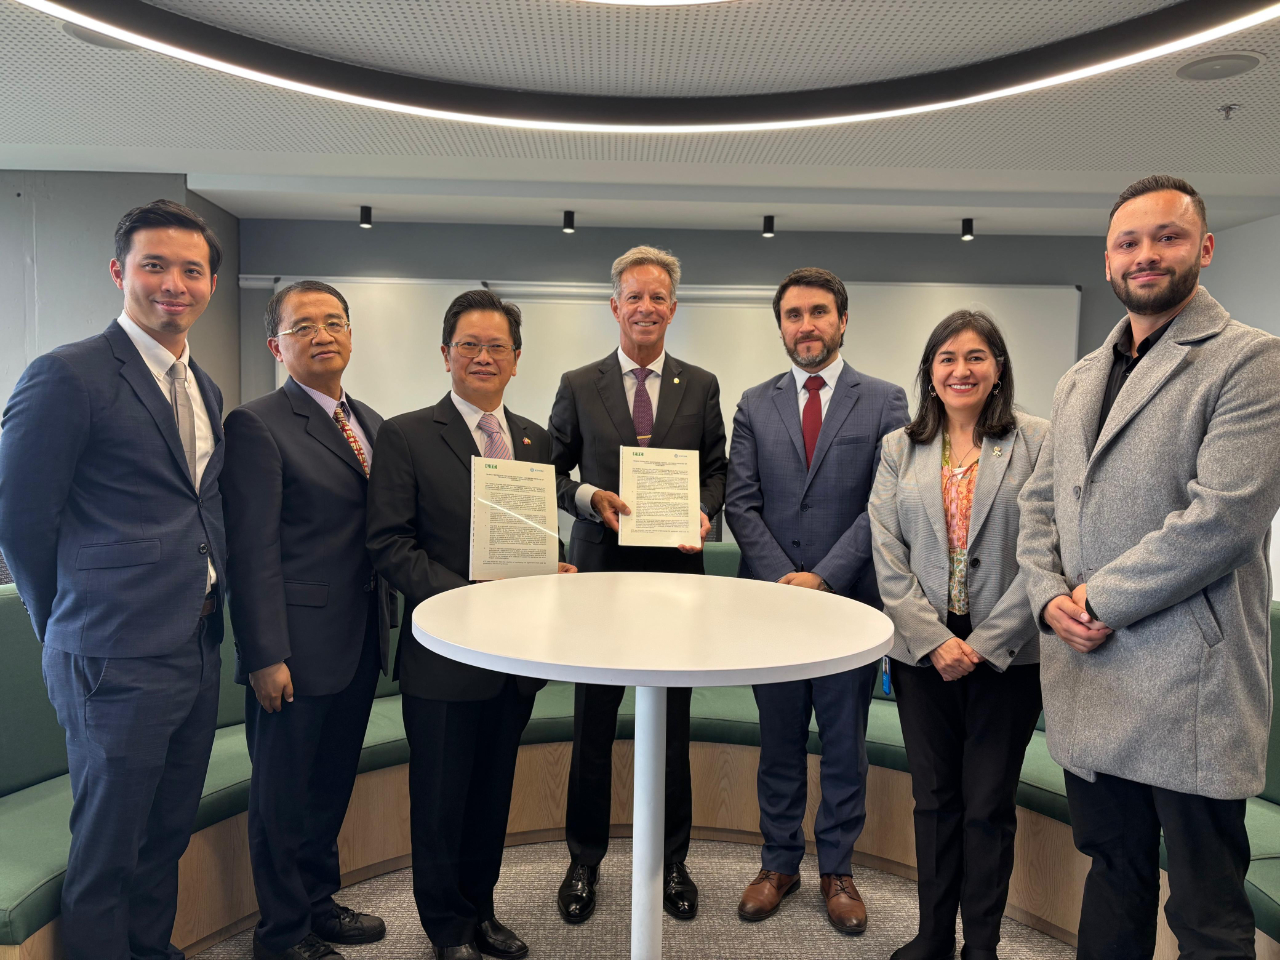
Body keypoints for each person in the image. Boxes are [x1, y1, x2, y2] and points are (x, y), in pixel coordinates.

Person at [1017, 175, 1280, 960]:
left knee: (1206, 911)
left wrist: (1095, 600)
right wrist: (1047, 597)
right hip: (1090, 680)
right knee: (1114, 875)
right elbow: (1039, 505)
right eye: (1128, 242)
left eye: (1167, 237)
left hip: (1187, 685)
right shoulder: (1078, 378)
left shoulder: (1252, 362)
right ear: (1107, 261)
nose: (1146, 254)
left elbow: (1224, 517)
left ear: (1204, 248)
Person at [0, 200, 226, 960]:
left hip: (195, 645)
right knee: (108, 848)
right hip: (109, 652)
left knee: (166, 835)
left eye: (191, 270)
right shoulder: (67, 374)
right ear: (118, 272)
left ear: (210, 283)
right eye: (154, 265)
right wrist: (66, 622)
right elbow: (20, 521)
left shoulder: (203, 386)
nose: (174, 284)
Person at [367, 289, 576, 960]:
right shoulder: (404, 435)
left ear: (516, 359)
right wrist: (466, 600)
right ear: (445, 354)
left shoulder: (534, 440)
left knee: (490, 797)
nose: (483, 357)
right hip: (445, 657)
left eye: (497, 347)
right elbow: (390, 545)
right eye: (469, 346)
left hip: (515, 661)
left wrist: (555, 565)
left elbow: (533, 536)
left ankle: (482, 912)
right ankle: (446, 929)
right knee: (440, 802)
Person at [547, 245, 728, 925]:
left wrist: (704, 511)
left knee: (673, 728)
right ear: (614, 305)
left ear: (673, 309)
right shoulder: (577, 382)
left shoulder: (701, 385)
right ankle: (584, 859)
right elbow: (553, 474)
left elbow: (717, 468)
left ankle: (672, 861)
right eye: (634, 296)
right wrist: (589, 498)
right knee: (592, 725)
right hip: (600, 576)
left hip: (676, 579)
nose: (645, 307)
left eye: (657, 297)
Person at [724, 267, 908, 935]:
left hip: (848, 608)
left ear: (843, 320)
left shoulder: (884, 401)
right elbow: (740, 504)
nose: (807, 325)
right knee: (777, 744)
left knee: (843, 747)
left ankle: (838, 870)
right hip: (771, 608)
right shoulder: (754, 403)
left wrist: (823, 578)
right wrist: (786, 578)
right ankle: (778, 864)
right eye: (794, 314)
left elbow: (884, 504)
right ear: (781, 326)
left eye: (819, 312)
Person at [870, 310, 1048, 960]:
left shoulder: (1037, 441)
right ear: (929, 372)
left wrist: (986, 642)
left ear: (998, 368)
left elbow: (1046, 551)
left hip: (1008, 657)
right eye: (947, 358)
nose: (961, 370)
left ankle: (981, 947)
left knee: (987, 806)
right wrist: (932, 639)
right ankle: (932, 937)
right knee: (935, 800)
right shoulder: (899, 447)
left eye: (976, 357)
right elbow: (887, 552)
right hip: (922, 656)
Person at [222, 281, 391, 960]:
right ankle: (281, 933)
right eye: (303, 327)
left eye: (335, 322)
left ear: (350, 335)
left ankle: (319, 904)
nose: (323, 335)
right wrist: (264, 655)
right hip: (292, 649)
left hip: (358, 642)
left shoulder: (370, 421)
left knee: (329, 788)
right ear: (276, 346)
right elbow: (251, 551)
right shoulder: (256, 424)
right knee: (282, 798)